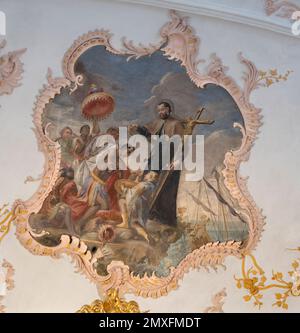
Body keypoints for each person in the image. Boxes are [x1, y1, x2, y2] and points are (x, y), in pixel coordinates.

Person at [130, 101, 185, 226]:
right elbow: (149, 134)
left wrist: (176, 160)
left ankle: (164, 220)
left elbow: (181, 144)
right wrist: (138, 128)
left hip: (170, 160)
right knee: (147, 183)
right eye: (159, 110)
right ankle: (145, 214)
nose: (161, 112)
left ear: (169, 110)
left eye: (163, 110)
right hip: (155, 157)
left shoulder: (176, 124)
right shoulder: (158, 122)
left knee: (165, 190)